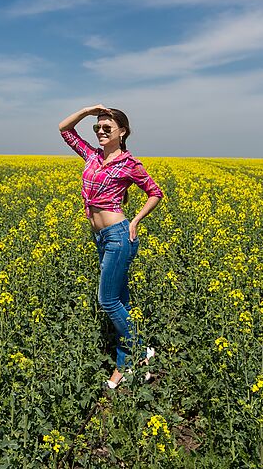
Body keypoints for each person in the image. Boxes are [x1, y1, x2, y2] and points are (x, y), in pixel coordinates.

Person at [58, 104, 163, 389]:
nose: (101, 131)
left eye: (107, 128)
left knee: (107, 301)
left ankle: (139, 355)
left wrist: (136, 221)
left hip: (119, 235)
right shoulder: (91, 155)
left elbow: (155, 192)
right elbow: (64, 129)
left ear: (123, 132)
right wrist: (89, 111)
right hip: (101, 238)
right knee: (121, 302)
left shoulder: (129, 163)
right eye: (98, 128)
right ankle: (128, 360)